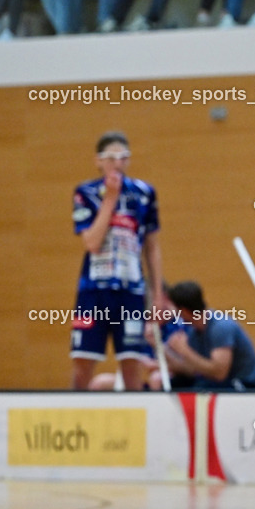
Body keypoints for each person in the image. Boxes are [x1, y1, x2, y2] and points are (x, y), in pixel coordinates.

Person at [71, 131, 165, 391]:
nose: (117, 163)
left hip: (131, 291)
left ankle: (134, 425)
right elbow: (91, 242)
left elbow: (152, 247)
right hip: (93, 291)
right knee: (82, 364)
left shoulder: (145, 194)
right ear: (98, 161)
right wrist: (110, 198)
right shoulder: (85, 193)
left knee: (132, 365)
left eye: (123, 157)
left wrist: (157, 295)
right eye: (110, 157)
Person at [164, 280, 255, 390]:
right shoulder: (194, 331)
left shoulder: (220, 328)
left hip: (247, 386)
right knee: (178, 385)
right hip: (223, 385)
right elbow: (192, 370)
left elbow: (219, 373)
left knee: (199, 389)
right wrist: (162, 349)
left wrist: (185, 351)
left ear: (184, 311)